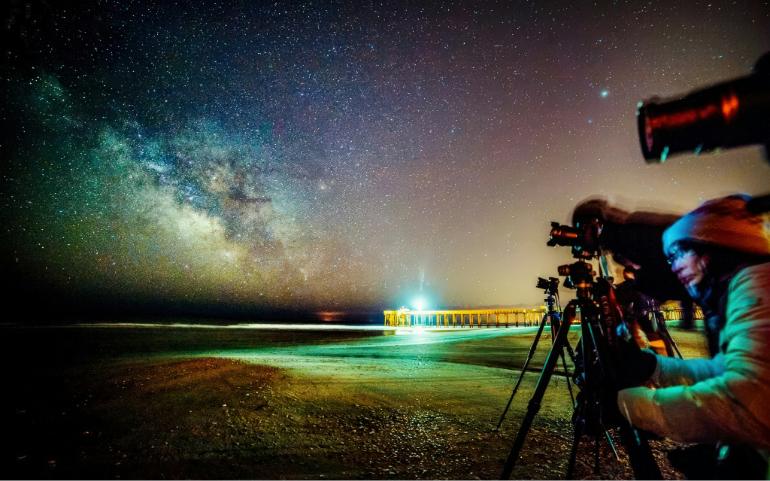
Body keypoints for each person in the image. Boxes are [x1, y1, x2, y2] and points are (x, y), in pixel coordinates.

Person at [615, 194, 770, 478]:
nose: (673, 267)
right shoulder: (741, 288)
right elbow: (724, 371)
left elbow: (748, 405)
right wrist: (655, 367)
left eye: (677, 254)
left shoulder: (758, 284)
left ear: (708, 249)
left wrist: (629, 404)